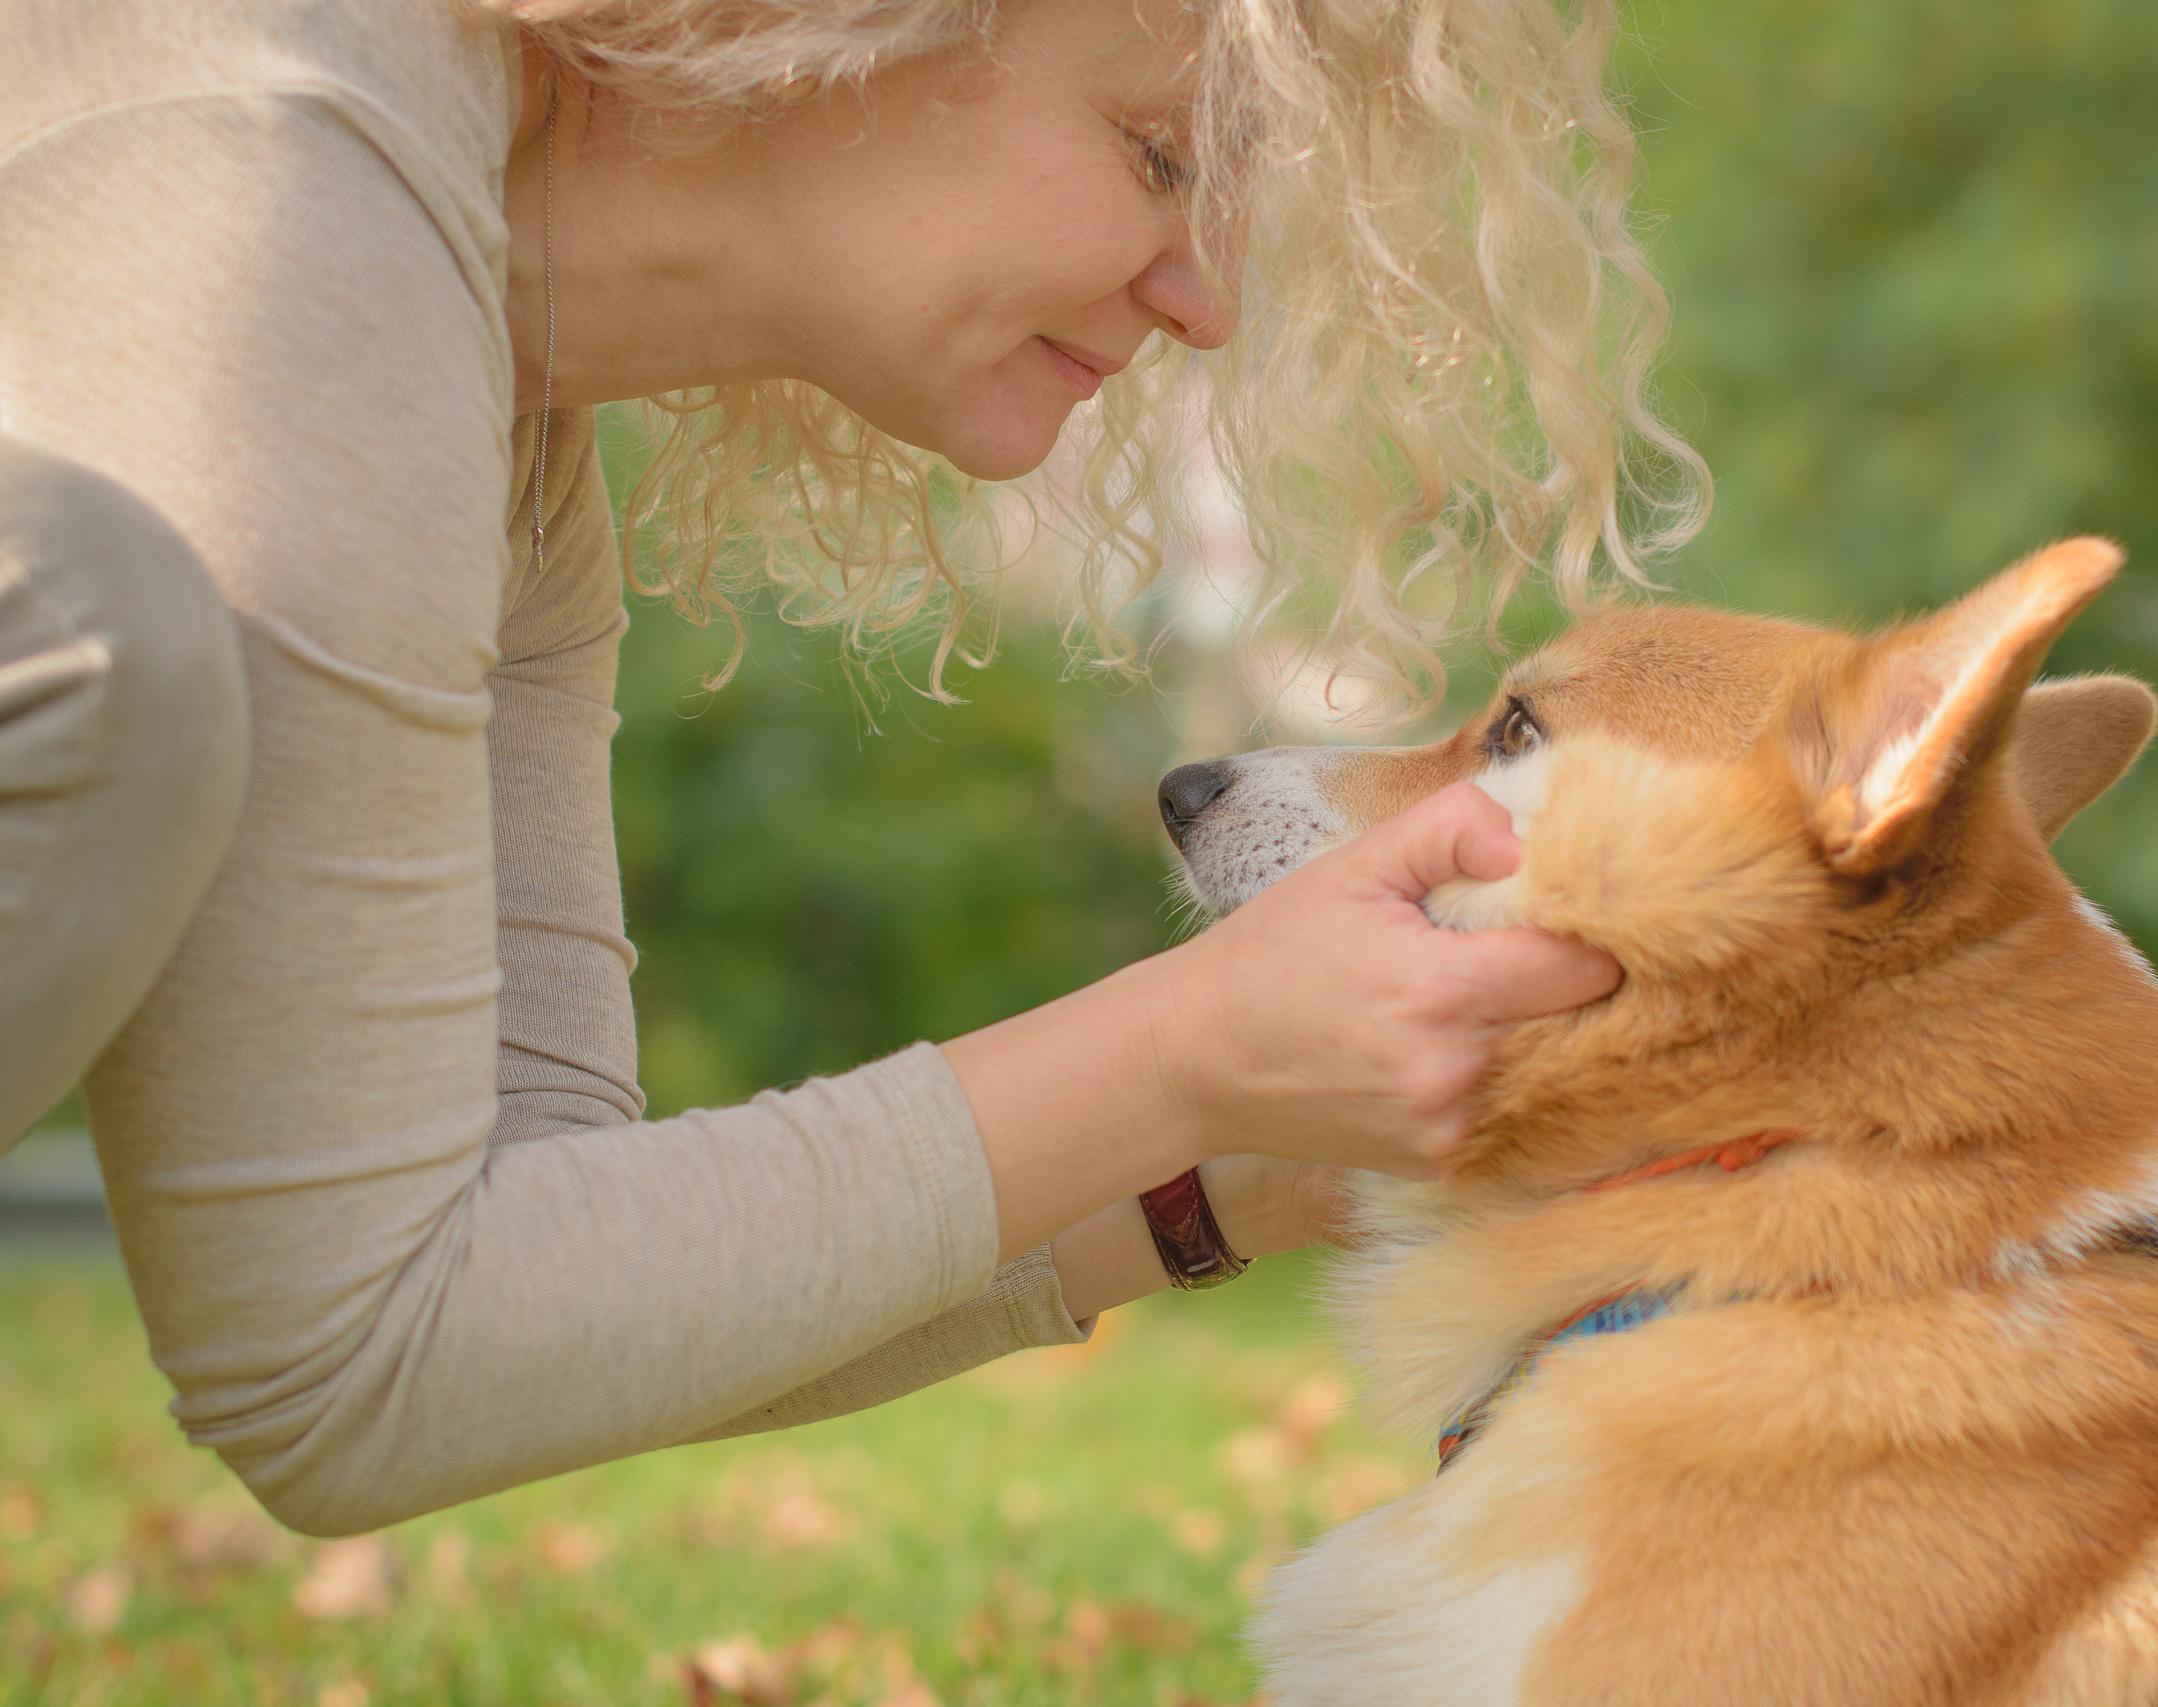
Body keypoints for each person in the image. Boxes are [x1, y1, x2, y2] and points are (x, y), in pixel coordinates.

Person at [0, 0, 1698, 1536]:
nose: (1209, 299)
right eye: (1158, 155)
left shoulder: (498, 439)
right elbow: (367, 1361)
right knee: (93, 620)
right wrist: (1186, 1046)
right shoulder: (288, 179)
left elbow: (543, 1299)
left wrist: (1248, 1160)